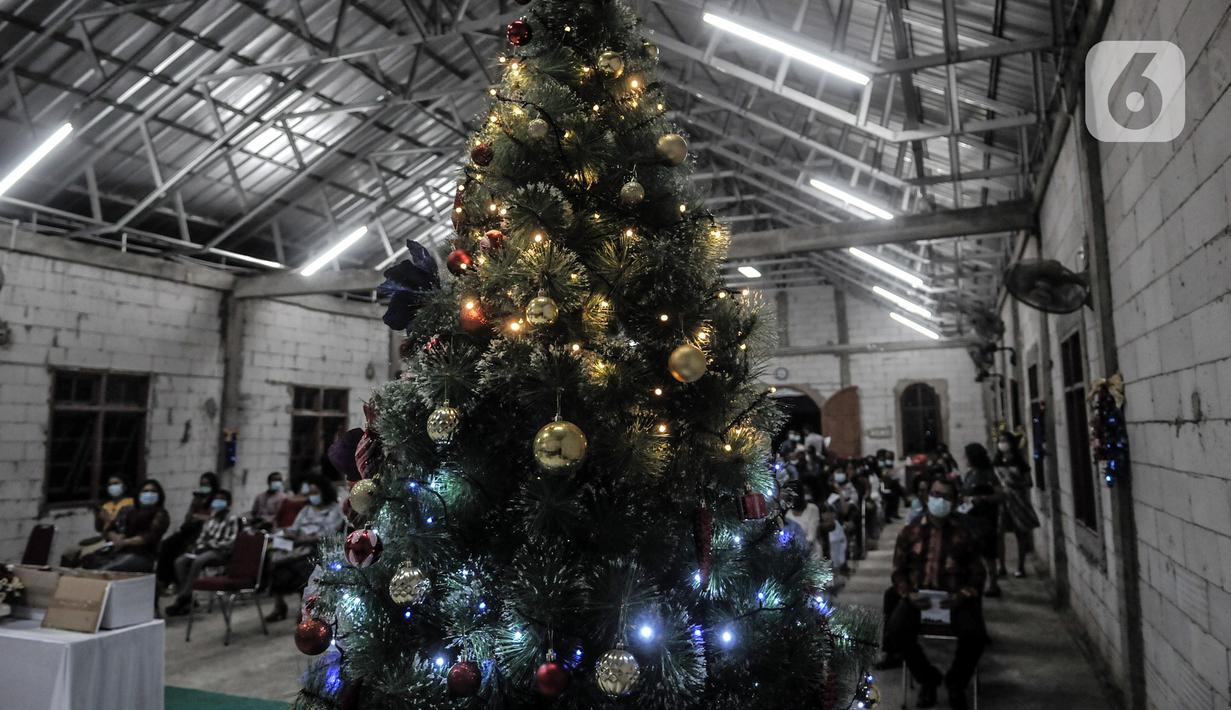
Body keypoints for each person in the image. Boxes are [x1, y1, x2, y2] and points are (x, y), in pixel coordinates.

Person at [885, 478, 987, 710]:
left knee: (975, 636)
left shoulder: (964, 535)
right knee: (896, 630)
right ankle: (927, 679)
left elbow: (978, 575)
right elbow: (898, 571)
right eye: (935, 494)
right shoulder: (910, 532)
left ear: (954, 501)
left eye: (945, 496)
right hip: (918, 598)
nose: (939, 500)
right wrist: (908, 594)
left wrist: (961, 595)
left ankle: (956, 683)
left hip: (954, 600)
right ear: (927, 497)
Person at [265, 475, 344, 622]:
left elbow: (328, 533)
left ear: (324, 491)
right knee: (275, 563)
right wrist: (285, 532)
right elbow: (295, 528)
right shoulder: (306, 509)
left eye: (315, 492)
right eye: (311, 492)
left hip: (317, 547)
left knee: (303, 567)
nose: (312, 496)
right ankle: (279, 605)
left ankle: (304, 608)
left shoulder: (334, 510)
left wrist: (306, 539)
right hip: (299, 544)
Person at [165, 489, 239, 616]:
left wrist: (210, 544)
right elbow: (202, 537)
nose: (218, 502)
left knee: (198, 561)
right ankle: (188, 597)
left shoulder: (231, 518)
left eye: (222, 499)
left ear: (227, 503)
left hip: (220, 552)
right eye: (216, 499)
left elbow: (230, 541)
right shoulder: (211, 518)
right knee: (180, 561)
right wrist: (198, 546)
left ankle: (183, 597)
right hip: (205, 549)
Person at [83, 480, 170, 573]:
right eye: (145, 491)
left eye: (153, 491)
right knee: (88, 561)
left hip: (142, 556)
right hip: (121, 551)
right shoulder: (131, 512)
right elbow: (116, 529)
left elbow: (149, 536)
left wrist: (125, 542)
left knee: (107, 570)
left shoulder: (161, 514)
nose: (149, 494)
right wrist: (115, 536)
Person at [156, 472, 221, 586]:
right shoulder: (197, 499)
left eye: (206, 484)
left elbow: (214, 518)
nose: (204, 487)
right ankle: (164, 579)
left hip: (203, 531)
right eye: (202, 484)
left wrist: (198, 517)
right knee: (167, 544)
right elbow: (188, 517)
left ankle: (180, 583)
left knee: (183, 549)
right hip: (190, 528)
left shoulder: (217, 499)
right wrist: (194, 506)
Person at [960, 443, 1005, 597]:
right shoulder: (969, 474)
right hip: (970, 518)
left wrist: (982, 498)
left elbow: (1001, 495)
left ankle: (993, 583)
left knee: (988, 553)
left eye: (966, 455)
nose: (964, 458)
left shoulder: (988, 474)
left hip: (985, 519)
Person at [993, 431, 1040, 578]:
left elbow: (1029, 482)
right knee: (999, 534)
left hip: (1018, 501)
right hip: (1002, 501)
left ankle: (1021, 567)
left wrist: (1014, 482)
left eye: (1005, 440)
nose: (1002, 443)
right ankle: (1001, 566)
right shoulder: (996, 461)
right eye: (1000, 440)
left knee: (1021, 534)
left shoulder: (1020, 462)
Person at [60, 476, 134, 567]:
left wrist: (108, 519)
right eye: (110, 484)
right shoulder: (106, 505)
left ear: (124, 486)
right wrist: (97, 516)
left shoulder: (131, 503)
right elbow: (98, 528)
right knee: (69, 552)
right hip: (102, 537)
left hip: (113, 539)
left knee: (85, 554)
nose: (112, 487)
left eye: (116, 483)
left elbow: (122, 527)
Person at [784, 482, 823, 561]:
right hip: (794, 558)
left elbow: (811, 537)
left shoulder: (813, 509)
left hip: (813, 556)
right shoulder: (788, 514)